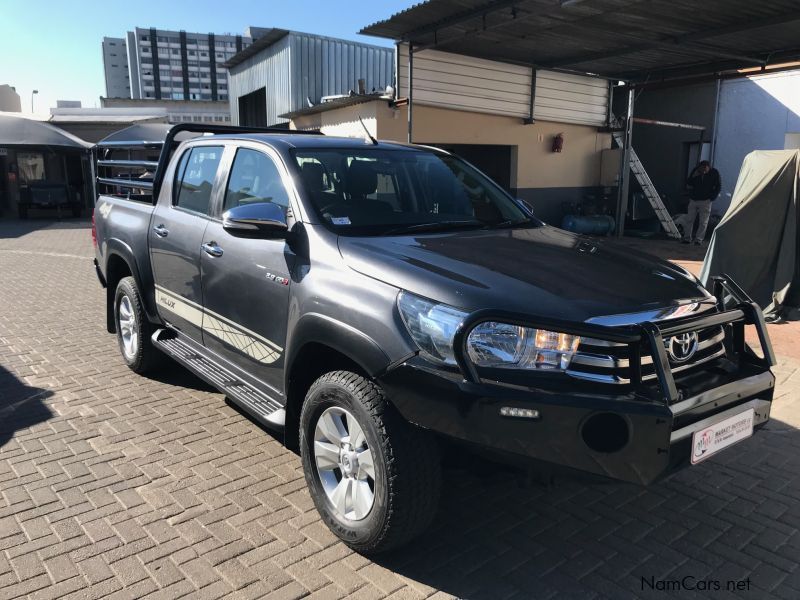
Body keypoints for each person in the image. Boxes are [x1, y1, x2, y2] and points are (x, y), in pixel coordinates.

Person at [682, 160, 721, 245]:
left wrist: (712, 197)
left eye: (705, 170)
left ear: (709, 168)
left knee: (703, 221)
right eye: (701, 169)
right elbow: (689, 182)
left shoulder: (714, 173)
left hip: (706, 200)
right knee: (689, 219)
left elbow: (718, 186)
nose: (703, 171)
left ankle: (698, 240)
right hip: (694, 199)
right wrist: (695, 175)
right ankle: (687, 238)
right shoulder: (696, 171)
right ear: (699, 168)